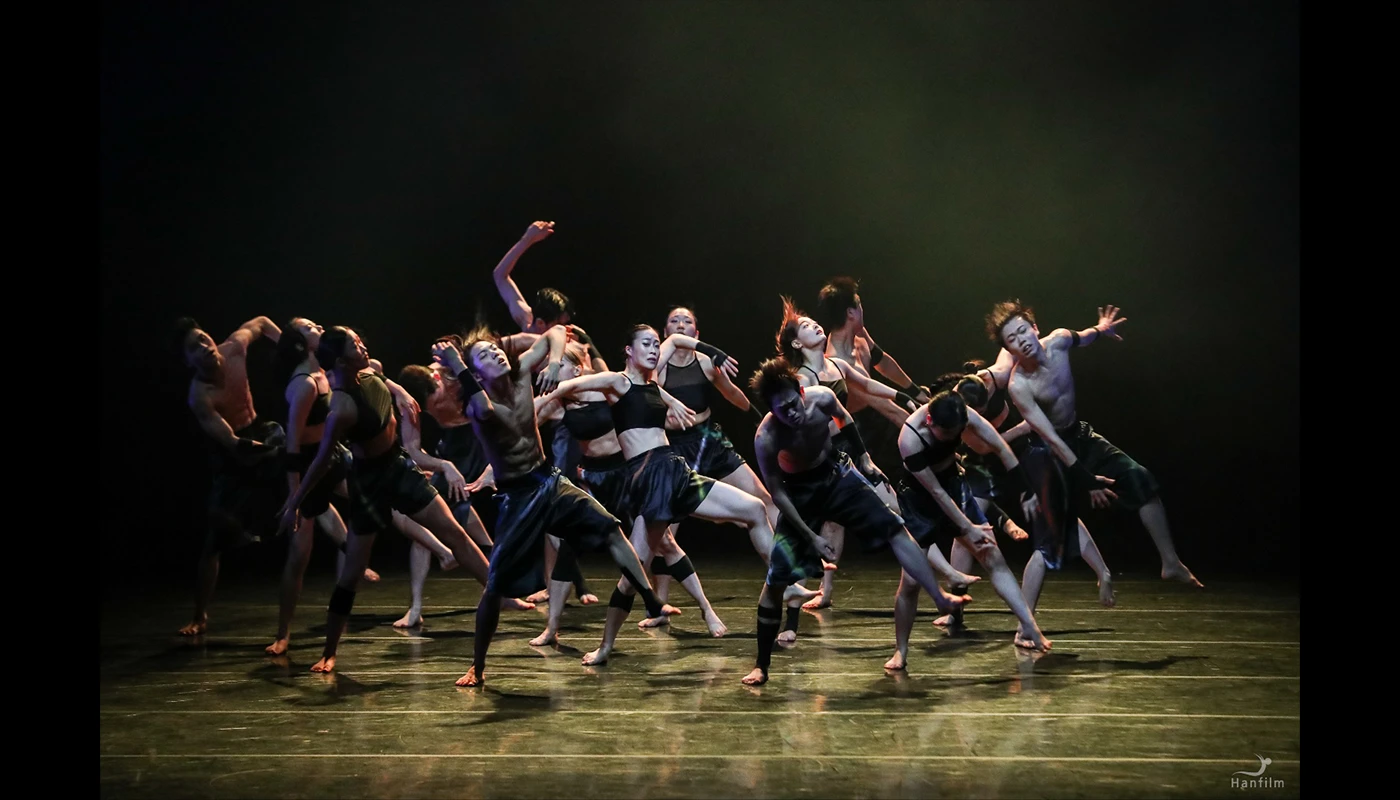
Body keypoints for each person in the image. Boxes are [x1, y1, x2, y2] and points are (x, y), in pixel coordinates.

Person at [431, 324, 670, 687]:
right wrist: (458, 365)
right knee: (494, 587)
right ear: (475, 374)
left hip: (549, 480)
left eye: (495, 349)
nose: (496, 354)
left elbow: (557, 331)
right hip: (518, 497)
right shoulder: (478, 405)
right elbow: (494, 414)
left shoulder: (523, 372)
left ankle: (650, 600)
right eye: (484, 356)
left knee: (610, 527)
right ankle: (477, 667)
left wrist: (556, 361)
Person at [742, 357, 974, 687]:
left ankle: (939, 597)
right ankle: (761, 665)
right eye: (782, 410)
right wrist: (811, 536)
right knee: (776, 580)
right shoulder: (766, 437)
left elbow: (844, 417)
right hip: (799, 494)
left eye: (793, 404)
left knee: (895, 528)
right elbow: (778, 494)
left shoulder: (822, 399)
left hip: (836, 474)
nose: (790, 413)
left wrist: (864, 459)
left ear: (801, 392)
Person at [276, 327, 494, 674]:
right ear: (341, 360)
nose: (363, 345)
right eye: (355, 345)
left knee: (454, 532)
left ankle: (498, 591)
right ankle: (329, 651)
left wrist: (402, 391)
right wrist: (295, 500)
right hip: (369, 482)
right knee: (351, 573)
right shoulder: (341, 407)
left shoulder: (371, 369)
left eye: (360, 340)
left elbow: (381, 378)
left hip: (398, 467)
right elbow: (321, 460)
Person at [988, 300, 1201, 588]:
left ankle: (1171, 562)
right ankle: (1026, 616)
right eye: (1012, 339)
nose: (1021, 340)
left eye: (1023, 331)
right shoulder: (1019, 386)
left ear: (1035, 328)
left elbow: (1085, 336)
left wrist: (1102, 329)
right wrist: (1086, 478)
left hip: (1079, 434)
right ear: (1009, 350)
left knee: (1139, 478)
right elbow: (1050, 438)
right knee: (1050, 539)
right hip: (1048, 454)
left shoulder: (1059, 340)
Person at [893, 389, 1052, 657]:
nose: (953, 437)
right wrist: (967, 527)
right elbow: (936, 493)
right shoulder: (910, 438)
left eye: (957, 431)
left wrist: (1026, 489)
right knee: (910, 581)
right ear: (930, 421)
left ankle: (1030, 626)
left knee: (992, 556)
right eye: (947, 433)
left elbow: (1001, 447)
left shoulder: (964, 416)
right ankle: (901, 651)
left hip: (953, 484)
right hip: (919, 497)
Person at [266, 318, 381, 655]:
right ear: (300, 344)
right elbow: (292, 445)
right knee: (300, 553)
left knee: (368, 498)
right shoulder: (303, 383)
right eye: (309, 328)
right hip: (305, 465)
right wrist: (294, 497)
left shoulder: (324, 372)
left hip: (330, 455)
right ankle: (283, 633)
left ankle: (354, 556)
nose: (317, 327)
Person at [173, 315, 285, 637]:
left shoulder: (234, 347)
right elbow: (232, 443)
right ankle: (200, 616)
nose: (204, 346)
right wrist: (276, 452)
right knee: (214, 540)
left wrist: (289, 350)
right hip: (234, 451)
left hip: (259, 429)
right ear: (188, 361)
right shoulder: (200, 395)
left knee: (306, 484)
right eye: (194, 347)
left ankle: (351, 549)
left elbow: (262, 323)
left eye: (204, 338)